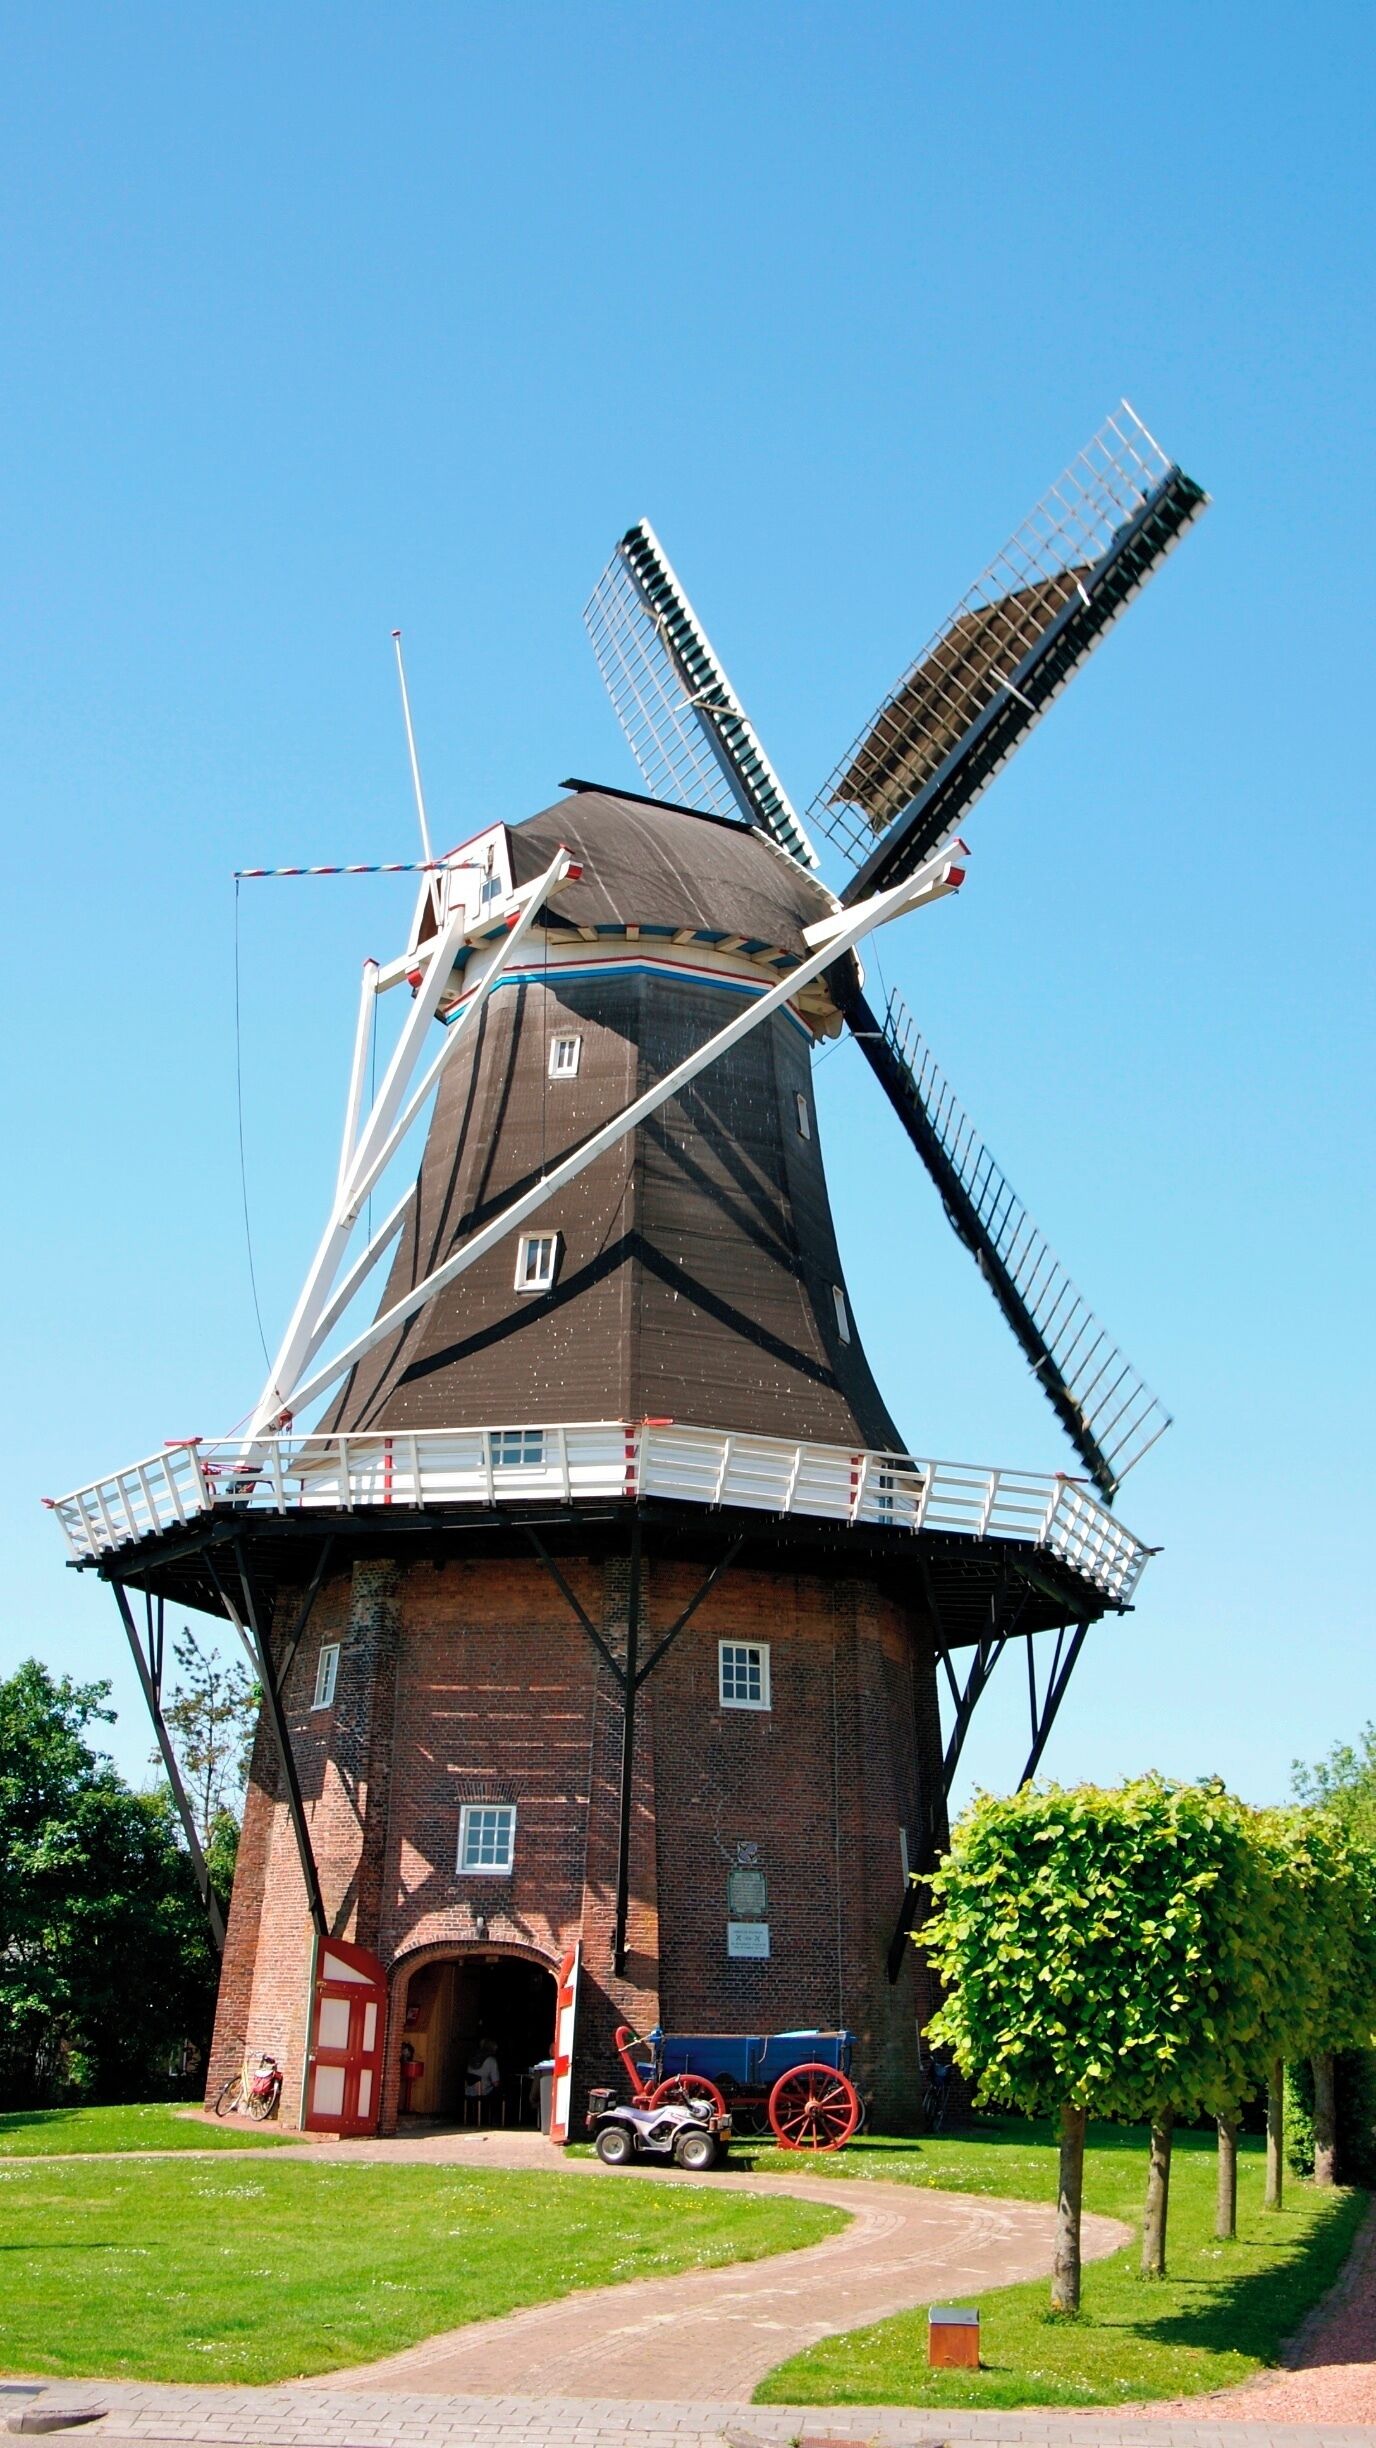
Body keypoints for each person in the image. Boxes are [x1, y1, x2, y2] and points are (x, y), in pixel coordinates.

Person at [465, 2037, 500, 2113]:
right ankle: (494, 2116)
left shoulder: (472, 2058)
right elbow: (496, 2083)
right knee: (498, 2091)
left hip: (469, 2090)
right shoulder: (491, 2060)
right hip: (482, 2091)